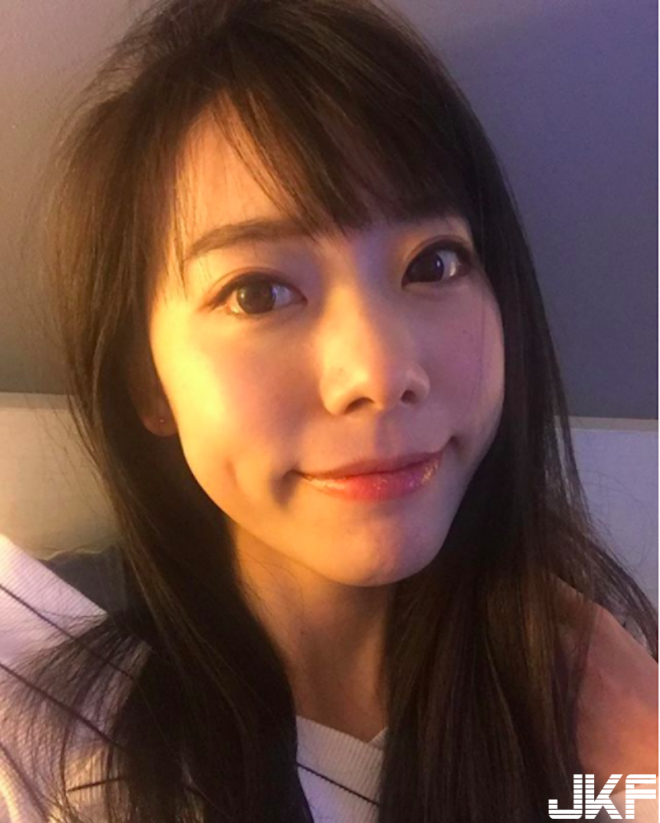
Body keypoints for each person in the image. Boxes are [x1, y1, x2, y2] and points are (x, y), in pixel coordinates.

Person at [0, 0, 657, 820]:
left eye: (433, 263)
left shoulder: (608, 693)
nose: (378, 373)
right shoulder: (41, 702)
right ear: (148, 382)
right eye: (257, 292)